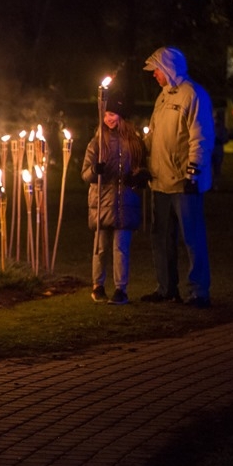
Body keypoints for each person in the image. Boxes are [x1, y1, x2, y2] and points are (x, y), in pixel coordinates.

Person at [141, 46, 215, 308]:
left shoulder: (193, 95)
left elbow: (201, 137)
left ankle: (198, 291)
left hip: (184, 184)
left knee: (191, 238)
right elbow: (154, 134)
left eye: (157, 70)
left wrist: (193, 172)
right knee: (161, 237)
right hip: (160, 181)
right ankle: (166, 288)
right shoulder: (163, 97)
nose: (154, 75)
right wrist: (142, 154)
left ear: (169, 68)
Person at [81, 90, 149, 305]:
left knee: (121, 248)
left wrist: (138, 177)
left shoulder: (134, 142)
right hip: (102, 202)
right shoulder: (96, 143)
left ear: (122, 116)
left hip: (126, 202)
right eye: (106, 114)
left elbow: (142, 168)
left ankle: (121, 289)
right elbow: (85, 174)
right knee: (100, 247)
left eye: (114, 114)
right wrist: (95, 170)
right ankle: (97, 285)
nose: (109, 118)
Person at [211, 108, 229, 190]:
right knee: (211, 168)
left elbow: (225, 138)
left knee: (217, 168)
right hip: (211, 149)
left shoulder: (221, 127)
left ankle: (215, 185)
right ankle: (211, 184)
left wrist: (220, 139)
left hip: (217, 148)